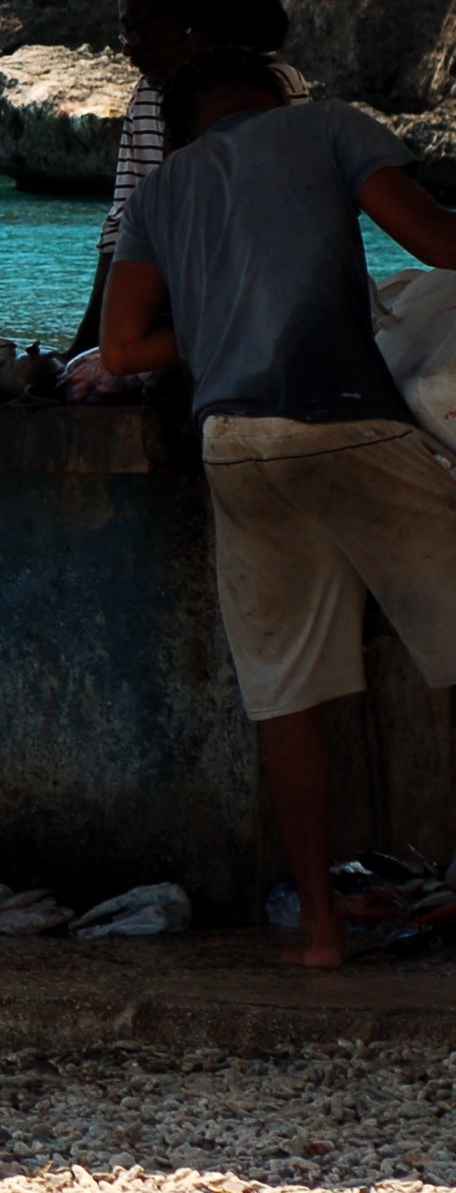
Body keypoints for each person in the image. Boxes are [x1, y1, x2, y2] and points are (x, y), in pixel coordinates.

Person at [99, 48, 456, 967]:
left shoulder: (161, 190)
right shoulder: (330, 125)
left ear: (184, 121)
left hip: (236, 444)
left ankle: (321, 936)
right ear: (274, 91)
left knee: (287, 692)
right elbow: (438, 244)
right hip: (347, 421)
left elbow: (124, 347)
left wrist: (217, 328)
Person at [72, 0, 310, 353]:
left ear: (185, 23)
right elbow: (124, 223)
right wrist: (84, 347)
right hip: (178, 316)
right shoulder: (148, 95)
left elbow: (287, 222)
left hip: (270, 313)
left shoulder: (272, 88)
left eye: (136, 30)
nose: (128, 49)